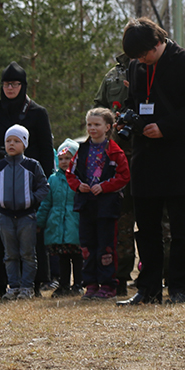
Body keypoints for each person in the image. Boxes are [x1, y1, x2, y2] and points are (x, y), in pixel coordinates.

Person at [119, 17, 185, 305]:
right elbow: (134, 101)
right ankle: (147, 288)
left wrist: (166, 126)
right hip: (144, 157)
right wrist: (130, 118)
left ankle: (182, 286)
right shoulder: (137, 66)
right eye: (136, 57)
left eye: (144, 54)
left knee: (181, 228)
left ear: (158, 43)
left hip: (178, 156)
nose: (141, 61)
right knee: (146, 228)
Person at [68, 109, 130, 300]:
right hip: (86, 205)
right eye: (89, 124)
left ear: (108, 127)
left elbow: (124, 176)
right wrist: (79, 186)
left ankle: (109, 285)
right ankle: (91, 284)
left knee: (106, 246)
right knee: (87, 246)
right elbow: (70, 173)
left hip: (107, 207)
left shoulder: (115, 151)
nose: (92, 128)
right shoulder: (82, 150)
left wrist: (104, 187)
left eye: (97, 124)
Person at [0, 125, 50, 301]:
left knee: (28, 254)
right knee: (9, 254)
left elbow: (44, 187)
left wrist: (31, 200)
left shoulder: (32, 165)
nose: (11, 144)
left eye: (16, 141)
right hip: (5, 217)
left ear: (25, 144)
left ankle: (27, 287)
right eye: (8, 141)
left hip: (27, 217)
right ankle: (13, 287)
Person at [92, 53, 136, 296]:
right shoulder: (112, 75)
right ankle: (120, 278)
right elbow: (98, 108)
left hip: (151, 154)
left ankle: (161, 274)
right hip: (119, 157)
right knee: (123, 221)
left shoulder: (158, 68)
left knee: (160, 223)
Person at [38, 139, 82, 297]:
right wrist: (40, 221)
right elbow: (46, 203)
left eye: (68, 158)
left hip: (75, 223)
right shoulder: (52, 179)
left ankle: (78, 284)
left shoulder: (80, 179)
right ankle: (64, 284)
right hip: (57, 225)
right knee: (63, 257)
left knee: (77, 257)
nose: (64, 162)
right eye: (61, 158)